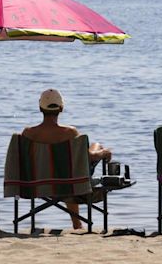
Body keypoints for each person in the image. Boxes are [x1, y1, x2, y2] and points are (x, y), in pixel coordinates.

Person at [22, 88, 112, 229]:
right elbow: (88, 157)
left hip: (37, 182)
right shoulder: (70, 132)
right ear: (61, 108)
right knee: (92, 150)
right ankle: (76, 223)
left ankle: (77, 222)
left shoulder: (27, 134)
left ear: (40, 108)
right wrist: (104, 153)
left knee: (66, 170)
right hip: (69, 183)